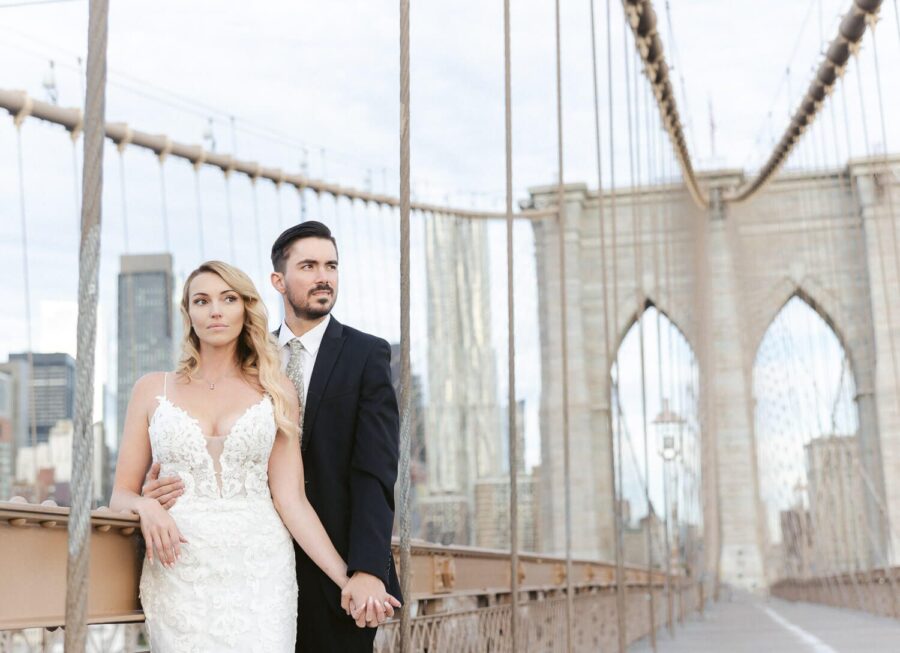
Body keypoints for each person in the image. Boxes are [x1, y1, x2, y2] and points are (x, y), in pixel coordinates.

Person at [111, 260, 399, 652]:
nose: (215, 310)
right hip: (179, 570)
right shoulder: (150, 390)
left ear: (246, 308)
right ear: (188, 313)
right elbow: (121, 495)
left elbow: (292, 501)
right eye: (202, 300)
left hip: (261, 571)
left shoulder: (275, 391)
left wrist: (347, 579)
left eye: (228, 299)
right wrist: (146, 507)